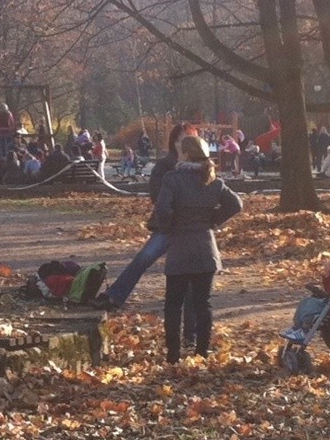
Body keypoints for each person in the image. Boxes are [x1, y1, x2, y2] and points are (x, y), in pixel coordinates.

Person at [90, 123, 199, 321]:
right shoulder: (165, 166)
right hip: (167, 225)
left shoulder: (201, 167)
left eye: (187, 140)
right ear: (173, 143)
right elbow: (157, 196)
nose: (182, 144)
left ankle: (192, 318)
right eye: (179, 140)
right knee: (143, 259)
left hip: (191, 228)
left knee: (192, 270)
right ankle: (115, 295)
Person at [154, 135, 242, 363]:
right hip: (205, 247)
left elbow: (162, 210)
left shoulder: (173, 179)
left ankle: (173, 354)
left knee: (173, 304)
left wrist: (168, 227)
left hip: (180, 247)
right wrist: (212, 220)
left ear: (185, 153)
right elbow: (236, 204)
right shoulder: (212, 180)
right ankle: (202, 352)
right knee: (203, 303)